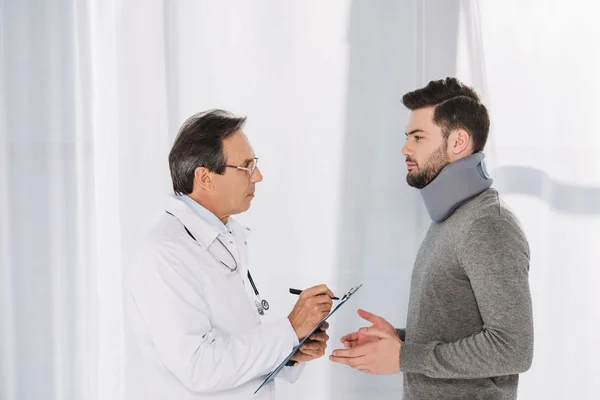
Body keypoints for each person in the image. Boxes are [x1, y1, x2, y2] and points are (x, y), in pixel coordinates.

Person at [330, 78, 534, 400]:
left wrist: (403, 357)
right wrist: (398, 341)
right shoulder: (453, 219)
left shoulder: (488, 226)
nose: (405, 149)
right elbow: (460, 329)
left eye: (418, 137)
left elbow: (512, 348)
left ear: (458, 142)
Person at [124, 109, 334, 400]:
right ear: (205, 178)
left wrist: (292, 351)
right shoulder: (164, 254)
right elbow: (198, 368)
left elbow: (235, 345)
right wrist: (289, 329)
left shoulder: (226, 237)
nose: (258, 176)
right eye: (246, 166)